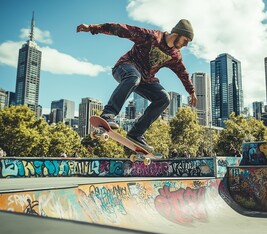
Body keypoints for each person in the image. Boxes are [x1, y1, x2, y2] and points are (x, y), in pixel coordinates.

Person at [76, 19, 197, 152]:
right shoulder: (151, 37)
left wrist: (191, 91)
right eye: (185, 40)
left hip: (145, 80)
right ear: (177, 34)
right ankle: (107, 114)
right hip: (125, 67)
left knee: (164, 98)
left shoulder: (175, 55)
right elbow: (121, 29)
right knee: (134, 77)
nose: (185, 45)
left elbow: (182, 72)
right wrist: (92, 27)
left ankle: (136, 133)